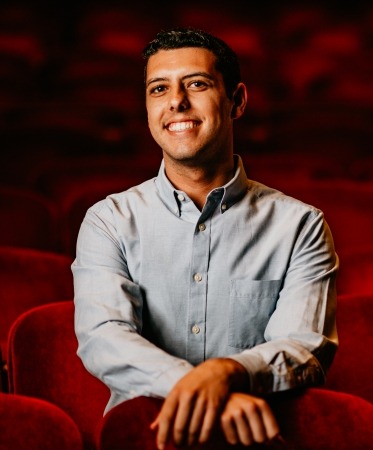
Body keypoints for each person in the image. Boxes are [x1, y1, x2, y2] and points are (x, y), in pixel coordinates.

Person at [73, 27, 339, 449]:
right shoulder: (108, 220)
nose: (176, 101)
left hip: (258, 439)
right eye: (159, 89)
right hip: (144, 436)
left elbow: (304, 347)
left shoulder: (300, 225)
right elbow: (104, 337)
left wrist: (228, 371)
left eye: (196, 84)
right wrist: (207, 386)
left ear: (237, 102)